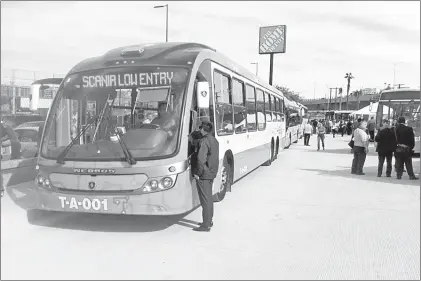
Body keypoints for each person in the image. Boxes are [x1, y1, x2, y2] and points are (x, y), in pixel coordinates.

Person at [192, 121, 220, 232]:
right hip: (212, 172)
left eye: (200, 129)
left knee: (205, 200)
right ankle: (209, 221)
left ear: (203, 129)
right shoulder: (214, 140)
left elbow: (200, 160)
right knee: (208, 198)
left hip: (204, 174)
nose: (199, 130)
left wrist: (197, 173)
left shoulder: (204, 142)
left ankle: (206, 225)